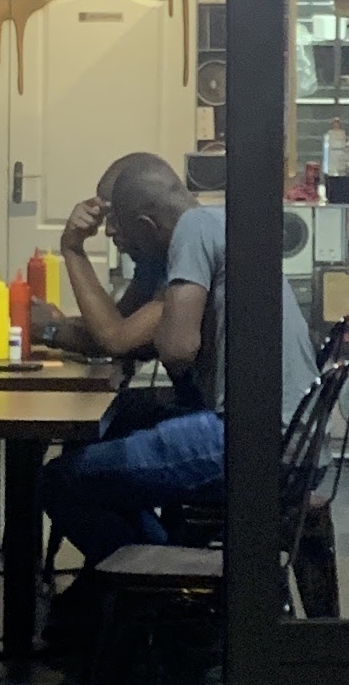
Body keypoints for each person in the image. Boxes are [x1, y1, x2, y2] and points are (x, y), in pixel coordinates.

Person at [45, 149, 319, 567]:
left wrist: (166, 320)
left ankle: (156, 582)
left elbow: (175, 350)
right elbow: (132, 334)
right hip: (289, 438)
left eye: (121, 226)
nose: (114, 236)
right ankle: (154, 574)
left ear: (147, 226)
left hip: (249, 442)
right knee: (117, 429)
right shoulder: (215, 222)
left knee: (61, 480)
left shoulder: (192, 231)